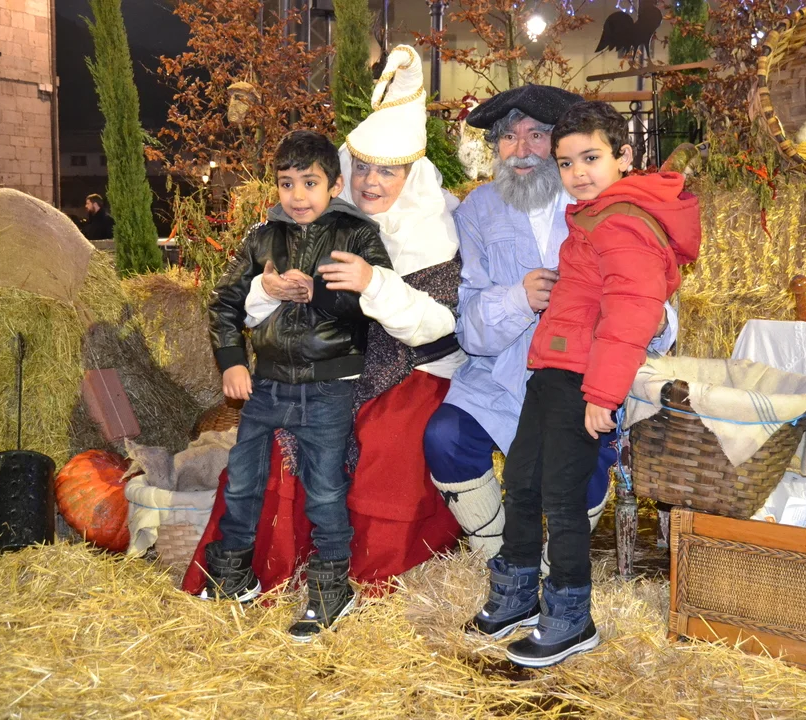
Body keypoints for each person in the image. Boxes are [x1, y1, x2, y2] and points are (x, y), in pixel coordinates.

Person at [184, 45, 462, 596]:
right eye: (363, 168)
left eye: (387, 171)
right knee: (269, 447)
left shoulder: (434, 231)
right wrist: (267, 293)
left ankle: (351, 576)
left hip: (414, 369)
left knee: (384, 441)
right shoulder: (321, 223)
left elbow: (438, 326)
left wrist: (372, 283)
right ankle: (260, 571)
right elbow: (252, 300)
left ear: (412, 175)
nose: (370, 182)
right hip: (326, 364)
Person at [468, 100, 701, 667]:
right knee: (522, 479)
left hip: (582, 380)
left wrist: (602, 395)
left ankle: (572, 616)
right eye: (567, 162)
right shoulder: (594, 218)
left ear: (624, 157)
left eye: (591, 158)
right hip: (551, 372)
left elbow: (631, 314)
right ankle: (518, 592)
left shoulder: (623, 223)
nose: (578, 173)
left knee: (561, 496)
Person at [423, 86, 678, 563]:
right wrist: (518, 299)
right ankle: (496, 555)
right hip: (500, 375)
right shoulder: (476, 210)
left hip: (586, 376)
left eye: (536, 136)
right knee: (445, 437)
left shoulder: (601, 201)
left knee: (584, 460)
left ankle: (556, 565)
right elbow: (468, 327)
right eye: (508, 137)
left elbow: (651, 302)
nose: (521, 151)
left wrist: (659, 320)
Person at [203, 129, 391, 641]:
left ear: (334, 185)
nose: (297, 195)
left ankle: (331, 587)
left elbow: (376, 303)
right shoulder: (262, 237)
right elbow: (223, 303)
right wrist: (231, 362)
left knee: (325, 487)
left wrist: (319, 295)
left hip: (329, 385)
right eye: (287, 184)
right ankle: (233, 573)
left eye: (310, 183)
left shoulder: (358, 234)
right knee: (242, 479)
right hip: (266, 382)